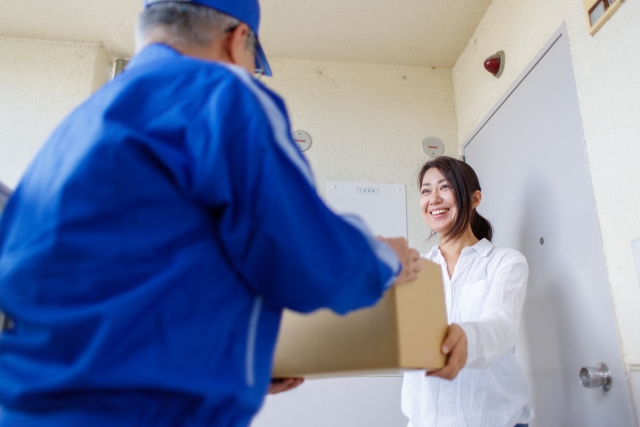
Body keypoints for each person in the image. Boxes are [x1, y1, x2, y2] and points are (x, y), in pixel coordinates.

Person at [0, 1, 422, 426]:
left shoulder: (76, 129)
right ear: (238, 40)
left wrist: (238, 366)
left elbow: (122, 283)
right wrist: (387, 259)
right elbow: (312, 262)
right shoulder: (222, 93)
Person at [401, 156, 533, 427]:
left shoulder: (505, 262)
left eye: (445, 187)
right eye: (426, 190)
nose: (434, 199)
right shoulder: (413, 271)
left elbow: (502, 325)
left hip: (496, 420)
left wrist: (466, 338)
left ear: (474, 199)